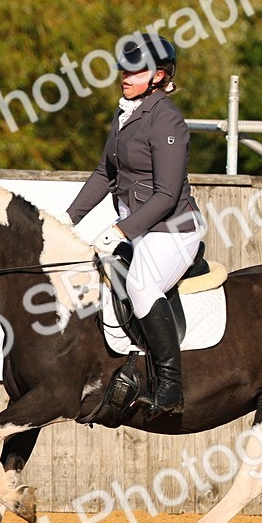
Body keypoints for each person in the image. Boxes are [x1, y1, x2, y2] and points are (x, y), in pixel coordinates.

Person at [66, 33, 205, 416]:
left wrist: (121, 231)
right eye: (123, 70)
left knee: (141, 287)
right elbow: (104, 172)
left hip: (172, 229)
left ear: (159, 75)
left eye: (135, 71)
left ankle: (171, 388)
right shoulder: (127, 111)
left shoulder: (167, 119)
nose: (125, 77)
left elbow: (166, 194)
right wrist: (68, 219)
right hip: (137, 226)